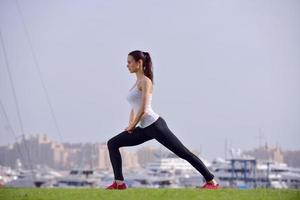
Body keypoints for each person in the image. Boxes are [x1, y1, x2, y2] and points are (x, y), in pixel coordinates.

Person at [105, 50, 220, 190]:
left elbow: (144, 108)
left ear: (139, 63)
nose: (127, 65)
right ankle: (119, 183)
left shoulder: (146, 81)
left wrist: (133, 125)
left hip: (155, 126)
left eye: (129, 62)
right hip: (143, 128)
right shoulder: (136, 82)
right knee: (112, 143)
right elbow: (134, 107)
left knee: (183, 153)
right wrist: (131, 124)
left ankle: (211, 182)